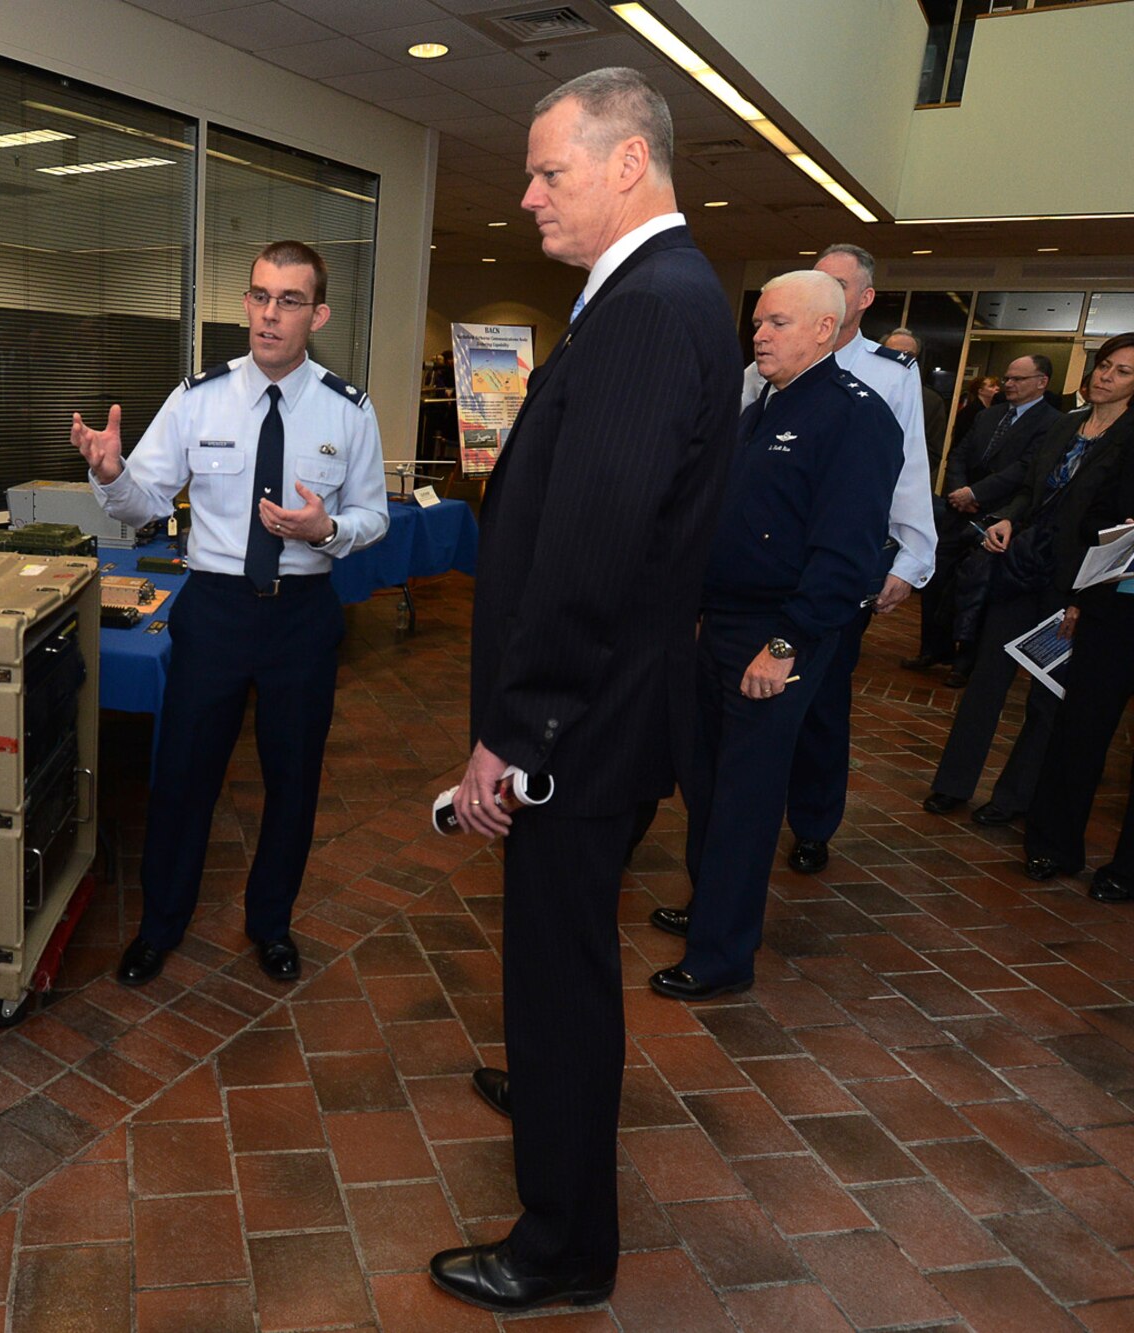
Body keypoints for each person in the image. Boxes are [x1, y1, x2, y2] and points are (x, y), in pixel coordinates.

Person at [428, 68, 736, 1314]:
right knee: (558, 969)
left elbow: (593, 546)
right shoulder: (649, 297)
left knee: (558, 977)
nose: (527, 195)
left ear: (627, 165)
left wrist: (515, 730)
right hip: (604, 707)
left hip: (583, 718)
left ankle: (562, 1245)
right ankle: (554, 1108)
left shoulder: (652, 307)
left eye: (548, 170)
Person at [73, 240, 387, 988]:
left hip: (303, 616)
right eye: (258, 296)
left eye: (288, 301)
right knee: (183, 774)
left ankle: (270, 922)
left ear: (318, 314)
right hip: (213, 610)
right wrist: (111, 472)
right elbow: (144, 497)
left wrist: (328, 531)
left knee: (293, 778)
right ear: (244, 303)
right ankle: (160, 925)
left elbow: (373, 515)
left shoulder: (348, 411)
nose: (268, 315)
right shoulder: (197, 398)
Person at [648, 272, 898, 1000]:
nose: (759, 335)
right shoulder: (761, 406)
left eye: (778, 323)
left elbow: (848, 552)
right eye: (757, 322)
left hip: (777, 631)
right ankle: (710, 905)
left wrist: (786, 644)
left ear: (826, 329)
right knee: (707, 776)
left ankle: (721, 954)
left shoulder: (855, 417)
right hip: (722, 622)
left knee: (748, 795)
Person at [728, 245, 934, 880]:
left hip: (837, 571)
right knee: (755, 729)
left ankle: (814, 824)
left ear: (859, 301)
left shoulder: (887, 375)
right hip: (764, 577)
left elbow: (907, 472)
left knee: (821, 706)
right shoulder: (763, 371)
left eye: (838, 285)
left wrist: (913, 556)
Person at [925, 334, 1134, 828]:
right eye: (1105, 365)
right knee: (985, 682)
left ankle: (1014, 797)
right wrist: (1009, 520)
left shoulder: (1130, 440)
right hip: (1023, 566)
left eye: (1122, 371)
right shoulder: (1066, 425)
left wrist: (1087, 594)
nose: (1106, 376)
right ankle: (952, 784)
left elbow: (1119, 525)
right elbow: (1031, 490)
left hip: (1076, 584)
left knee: (1046, 697)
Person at [1024, 339, 1134, 897]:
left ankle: (1127, 872)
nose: (1110, 376)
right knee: (1081, 728)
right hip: (1116, 604)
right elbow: (1096, 512)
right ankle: (1051, 845)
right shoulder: (1127, 438)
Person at [927, 356, 1061, 685]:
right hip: (960, 512)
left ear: (1041, 382)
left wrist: (977, 493)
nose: (1008, 384)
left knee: (978, 590)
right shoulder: (990, 414)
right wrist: (960, 490)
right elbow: (959, 453)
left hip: (1000, 518)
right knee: (939, 579)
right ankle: (934, 648)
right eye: (1007, 378)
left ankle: (965, 661)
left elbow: (1026, 470)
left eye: (1018, 379)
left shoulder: (1053, 423)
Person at [884, 328, 948, 483]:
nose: (901, 358)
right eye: (894, 352)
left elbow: (932, 453)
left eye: (909, 355)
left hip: (900, 482)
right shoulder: (859, 387)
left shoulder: (931, 401)